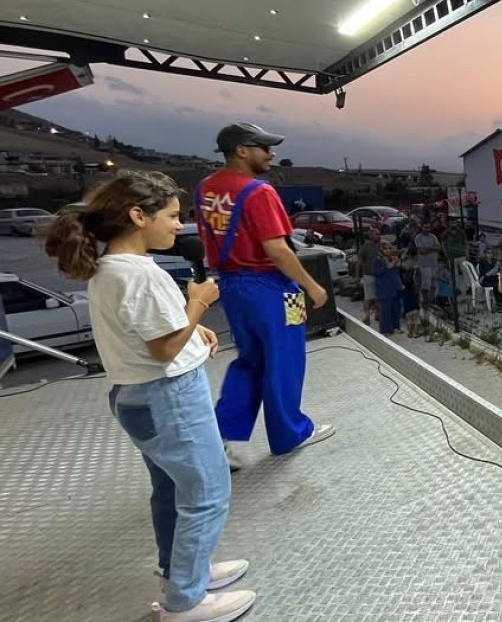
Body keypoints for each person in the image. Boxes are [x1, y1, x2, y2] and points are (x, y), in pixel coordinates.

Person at [44, 171, 256, 621]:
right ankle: (185, 601)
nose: (178, 226)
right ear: (138, 215)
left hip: (134, 395)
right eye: (172, 216)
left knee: (170, 487)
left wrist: (190, 327)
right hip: (169, 397)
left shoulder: (108, 270)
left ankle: (181, 569)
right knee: (207, 490)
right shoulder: (141, 273)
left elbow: (144, 332)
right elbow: (162, 348)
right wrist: (199, 302)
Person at [195, 122, 333, 466]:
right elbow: (278, 249)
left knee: (250, 361)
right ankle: (290, 434)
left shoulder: (206, 188)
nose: (272, 154)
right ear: (242, 150)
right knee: (284, 361)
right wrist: (311, 284)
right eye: (264, 147)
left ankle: (221, 440)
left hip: (231, 284)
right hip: (268, 285)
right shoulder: (259, 190)